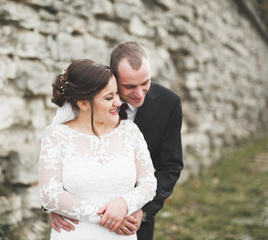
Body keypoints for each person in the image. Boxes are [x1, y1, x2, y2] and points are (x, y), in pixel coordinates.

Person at [50, 42, 183, 240]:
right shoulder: (87, 99)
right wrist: (55, 203)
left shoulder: (169, 103)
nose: (139, 93)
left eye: (145, 82)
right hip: (78, 223)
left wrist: (142, 212)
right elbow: (58, 150)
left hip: (133, 222)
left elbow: (170, 166)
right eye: (129, 86)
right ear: (113, 77)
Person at [39, 59, 158, 240]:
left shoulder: (130, 132)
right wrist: (107, 216)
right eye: (109, 98)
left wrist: (124, 204)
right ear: (84, 104)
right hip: (75, 234)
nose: (118, 102)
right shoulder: (56, 136)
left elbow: (149, 182)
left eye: (117, 93)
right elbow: (50, 194)